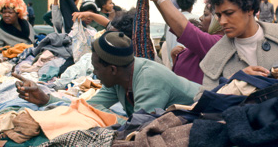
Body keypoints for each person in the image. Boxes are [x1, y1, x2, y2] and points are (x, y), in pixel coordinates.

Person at [13, 31, 200, 117]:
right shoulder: (120, 80)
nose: (94, 73)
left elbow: (139, 127)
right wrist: (46, 99)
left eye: (96, 68)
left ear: (112, 69)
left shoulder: (148, 80)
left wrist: (104, 116)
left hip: (210, 112)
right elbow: (88, 107)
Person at [139, 0, 223, 84]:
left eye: (205, 15)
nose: (200, 18)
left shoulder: (217, 42)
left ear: (218, 19)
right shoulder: (208, 41)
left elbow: (183, 28)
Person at [165, 0, 199, 67]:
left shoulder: (171, 22)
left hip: (174, 65)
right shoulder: (197, 19)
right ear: (192, 5)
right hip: (189, 66)